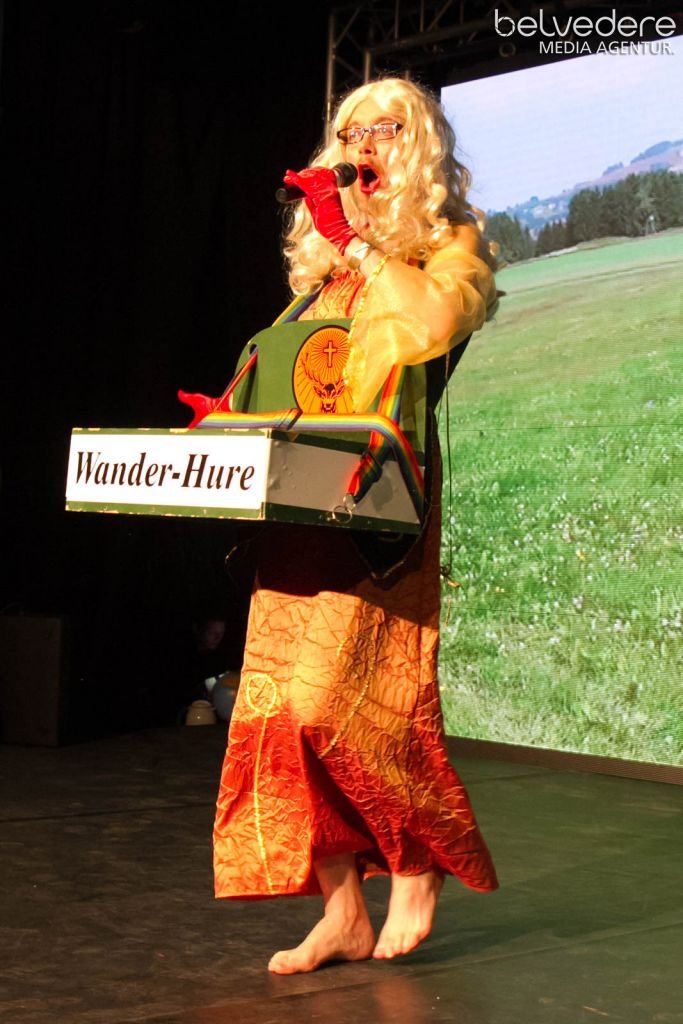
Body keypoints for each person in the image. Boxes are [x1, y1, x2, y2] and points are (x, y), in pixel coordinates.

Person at [204, 76, 501, 975]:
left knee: (339, 702)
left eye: (385, 127)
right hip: (299, 501)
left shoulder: (449, 242)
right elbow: (284, 368)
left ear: (418, 143)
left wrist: (364, 249)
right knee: (272, 712)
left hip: (378, 501)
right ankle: (341, 913)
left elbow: (434, 321)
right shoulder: (322, 272)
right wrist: (225, 416)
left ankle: (417, 859)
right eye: (348, 131)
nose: (362, 144)